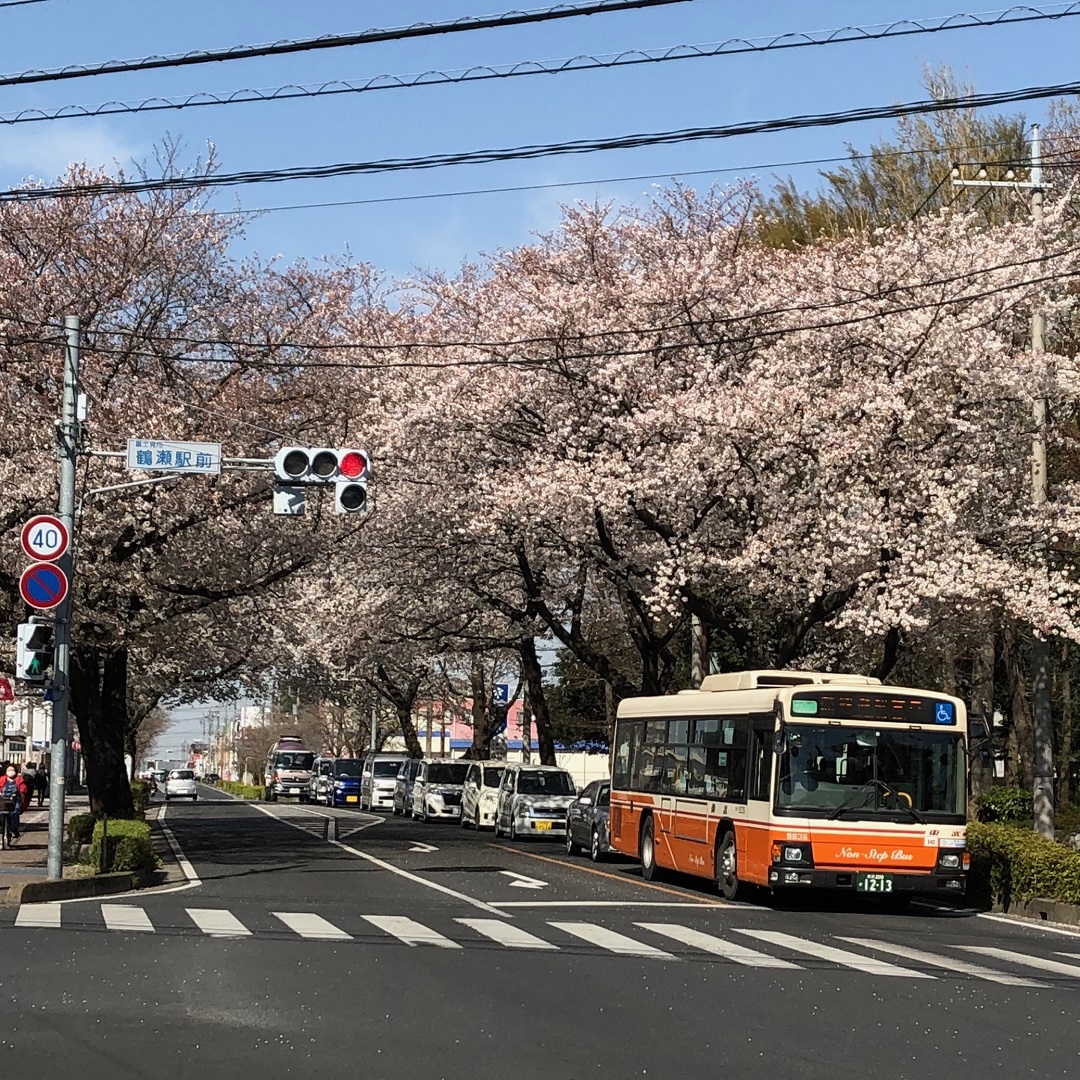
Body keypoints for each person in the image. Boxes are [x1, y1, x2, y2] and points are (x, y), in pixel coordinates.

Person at [0, 763, 27, 842]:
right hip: (3, 800)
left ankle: (14, 829)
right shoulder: (2, 779)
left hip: (15, 800)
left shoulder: (19, 779)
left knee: (14, 813)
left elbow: (23, 789)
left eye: (12, 770)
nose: (10, 772)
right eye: (9, 770)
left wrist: (20, 793)